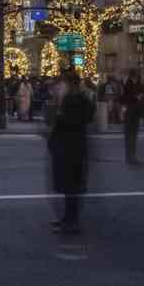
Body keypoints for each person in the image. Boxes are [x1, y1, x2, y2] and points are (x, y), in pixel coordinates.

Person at [49, 69, 94, 235]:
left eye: (64, 82)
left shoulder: (74, 99)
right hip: (74, 147)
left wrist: (60, 117)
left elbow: (66, 122)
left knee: (71, 187)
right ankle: (68, 219)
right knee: (70, 187)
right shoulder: (80, 98)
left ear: (70, 84)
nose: (62, 85)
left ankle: (71, 221)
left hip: (71, 148)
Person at [121, 71, 144, 165]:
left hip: (135, 112)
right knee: (130, 136)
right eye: (136, 76)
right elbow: (125, 97)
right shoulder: (128, 84)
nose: (137, 78)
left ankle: (132, 157)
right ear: (133, 76)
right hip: (130, 112)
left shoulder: (137, 84)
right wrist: (136, 97)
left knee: (133, 136)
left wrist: (141, 96)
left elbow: (142, 93)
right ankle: (130, 157)